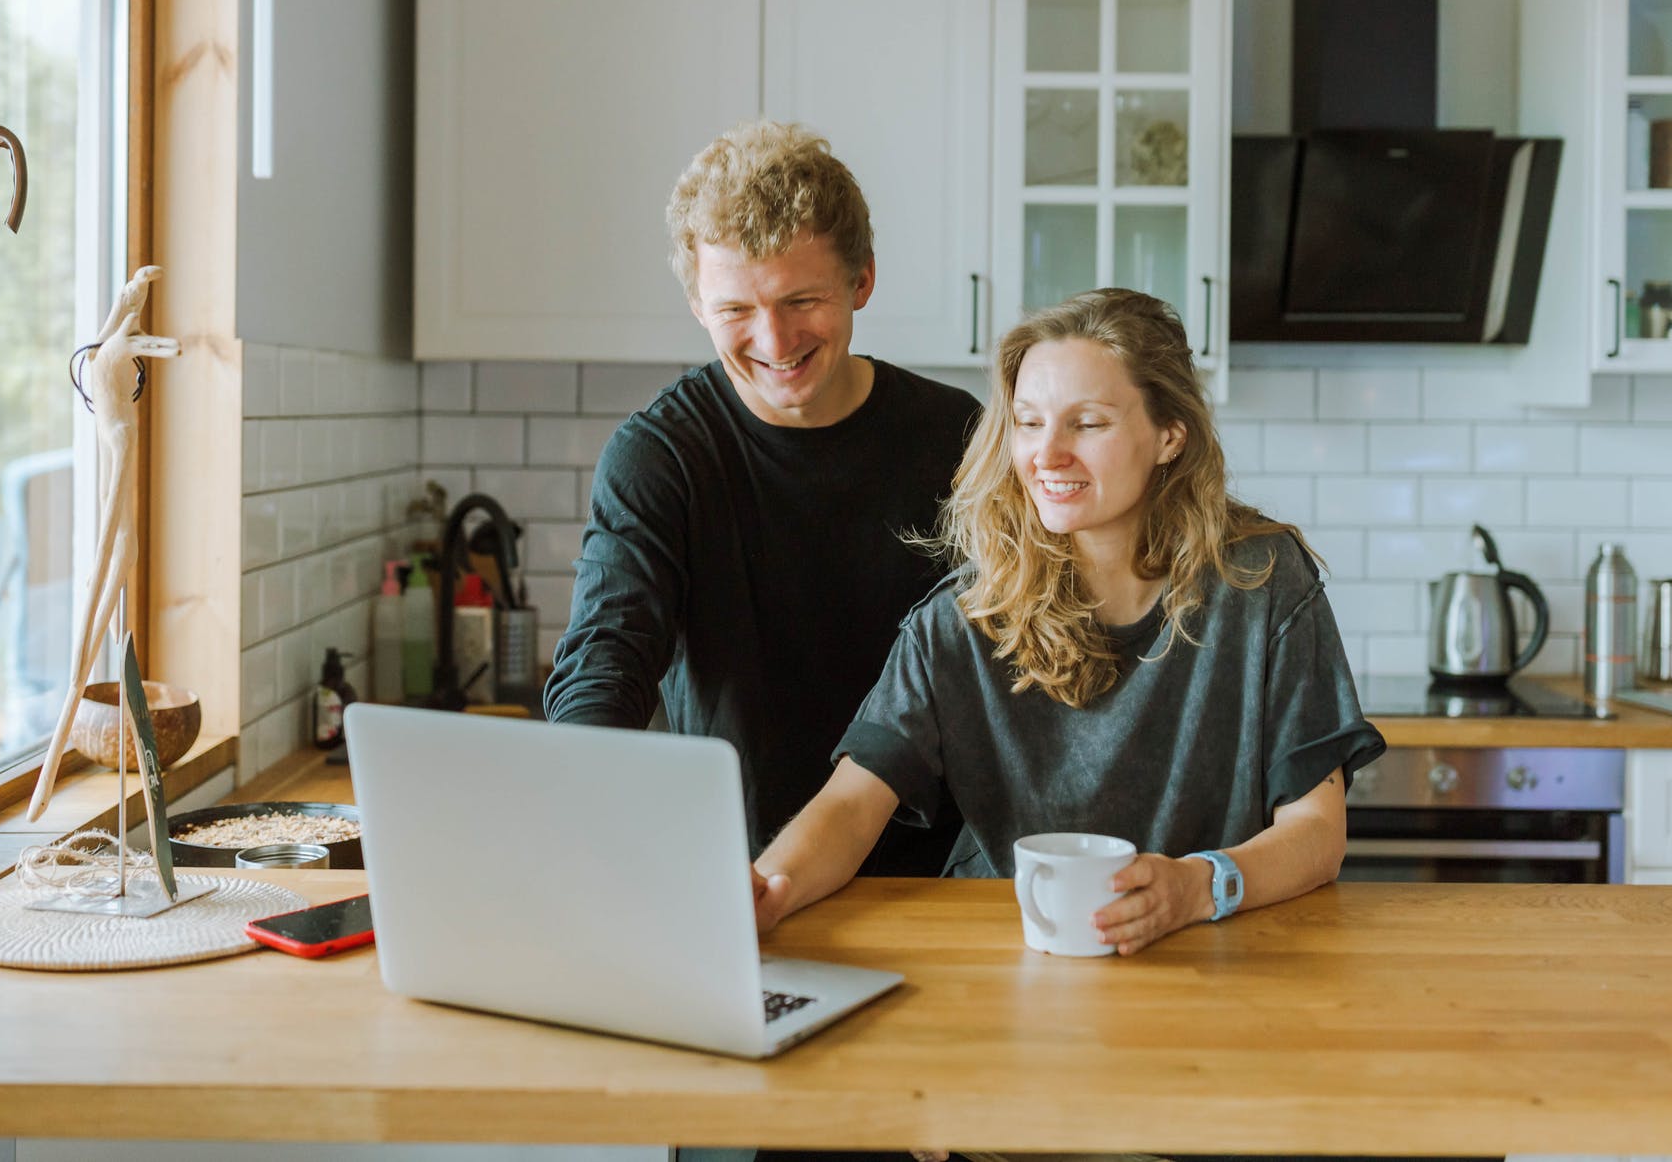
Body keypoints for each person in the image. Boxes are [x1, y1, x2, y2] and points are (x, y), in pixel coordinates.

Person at [751, 287, 1386, 954]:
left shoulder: (1260, 582)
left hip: (1209, 957)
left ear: (1170, 435)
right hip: (1013, 958)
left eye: (1087, 424)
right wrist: (768, 889)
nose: (1047, 455)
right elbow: (851, 805)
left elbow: (1317, 832)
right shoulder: (965, 616)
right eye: (1029, 422)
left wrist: (1197, 887)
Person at [542, 119, 978, 876]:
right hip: (736, 875)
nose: (775, 341)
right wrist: (581, 785)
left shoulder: (959, 439)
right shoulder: (660, 456)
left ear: (862, 281)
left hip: (936, 877)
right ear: (697, 304)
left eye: (801, 299)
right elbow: (607, 654)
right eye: (736, 310)